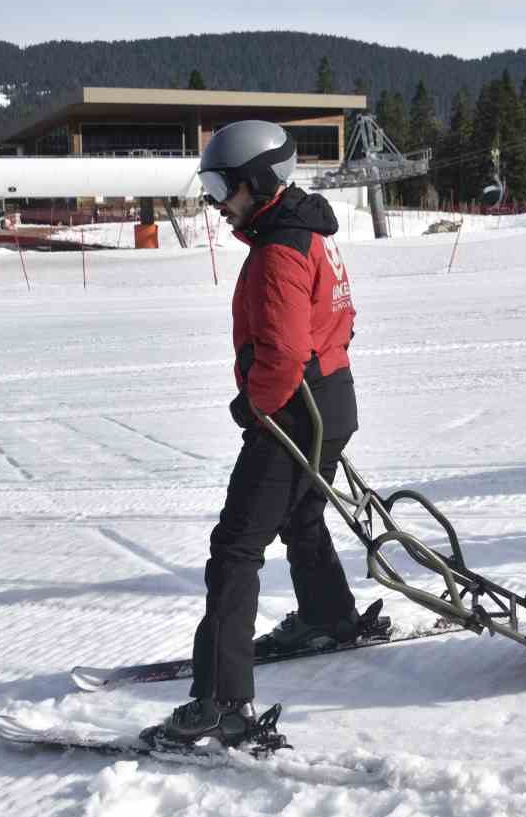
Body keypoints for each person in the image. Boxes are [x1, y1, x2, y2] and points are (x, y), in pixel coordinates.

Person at [147, 120, 365, 750]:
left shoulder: (277, 253)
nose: (216, 202)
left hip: (296, 409)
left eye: (223, 186)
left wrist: (255, 406)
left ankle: (220, 702)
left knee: (237, 547)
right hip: (332, 401)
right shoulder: (307, 233)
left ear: (259, 182)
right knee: (300, 517)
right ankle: (329, 615)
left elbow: (283, 351)